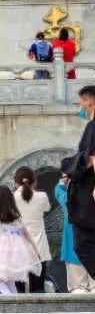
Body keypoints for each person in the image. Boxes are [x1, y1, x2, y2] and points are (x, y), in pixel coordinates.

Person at [0, 185, 42, 295]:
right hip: (17, 254)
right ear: (11, 201)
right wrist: (37, 252)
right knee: (10, 281)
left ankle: (9, 299)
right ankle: (15, 302)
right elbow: (28, 236)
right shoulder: (16, 219)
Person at [65, 85, 95, 281]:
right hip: (86, 188)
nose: (79, 104)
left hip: (88, 191)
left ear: (89, 102)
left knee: (82, 243)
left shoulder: (93, 126)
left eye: (81, 100)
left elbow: (93, 157)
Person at [55, 160, 95, 292]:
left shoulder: (68, 200)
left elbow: (58, 191)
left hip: (74, 253)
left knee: (78, 290)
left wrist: (63, 181)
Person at [13, 166, 51, 292]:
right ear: (34, 181)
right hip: (39, 249)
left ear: (16, 182)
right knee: (38, 290)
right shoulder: (42, 196)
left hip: (18, 250)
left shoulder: (11, 198)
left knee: (19, 292)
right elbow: (47, 208)